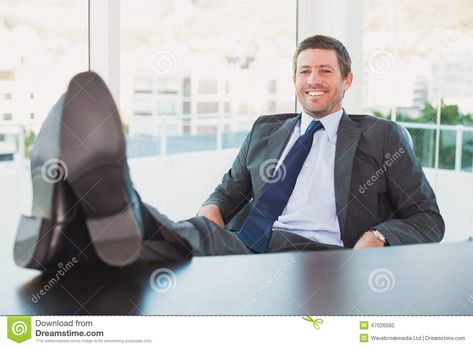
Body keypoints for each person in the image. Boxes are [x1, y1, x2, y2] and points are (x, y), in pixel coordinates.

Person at [14, 35, 444, 271]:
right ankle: (76, 234)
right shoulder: (268, 130)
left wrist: (379, 235)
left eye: (325, 71)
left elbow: (428, 218)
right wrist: (214, 207)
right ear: (294, 79)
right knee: (191, 235)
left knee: (182, 238)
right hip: (248, 246)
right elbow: (228, 191)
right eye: (304, 71)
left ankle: (77, 228)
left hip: (319, 257)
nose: (313, 80)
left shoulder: (380, 136)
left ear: (347, 80)